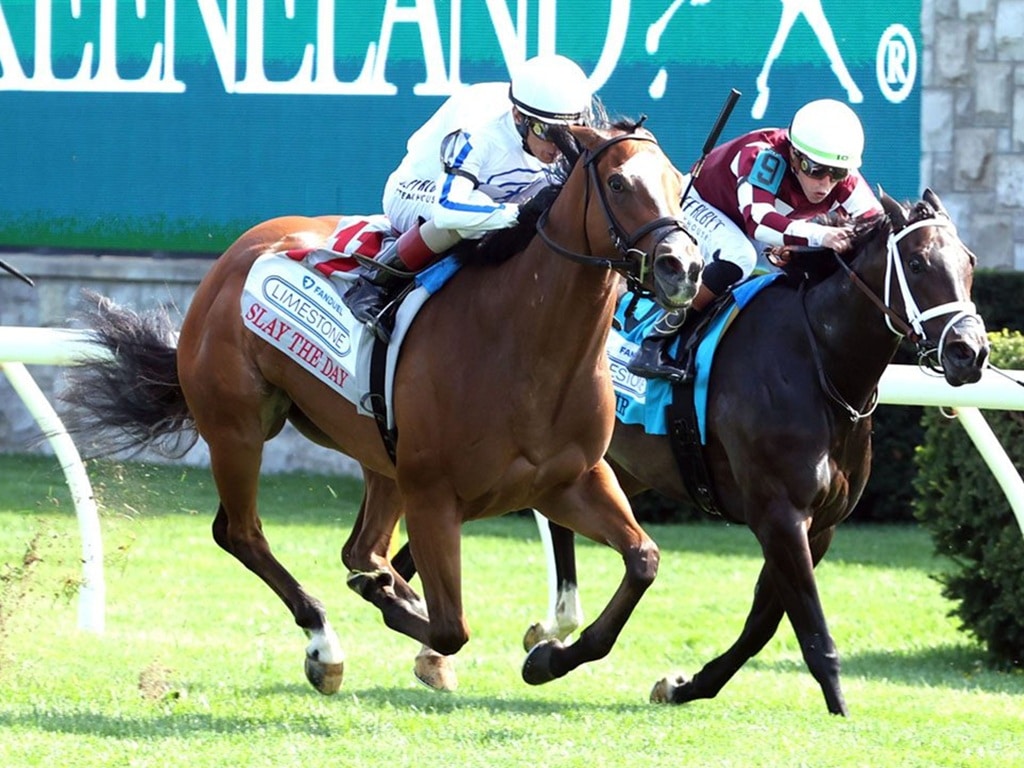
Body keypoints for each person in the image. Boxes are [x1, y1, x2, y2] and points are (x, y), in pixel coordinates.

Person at [627, 97, 883, 381]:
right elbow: (759, 223)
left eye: (836, 173)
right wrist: (821, 234)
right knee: (740, 258)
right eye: (815, 170)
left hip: (746, 226)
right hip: (700, 204)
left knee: (801, 268)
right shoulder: (764, 156)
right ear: (795, 156)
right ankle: (653, 342)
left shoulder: (845, 179)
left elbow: (879, 225)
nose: (825, 184)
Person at [344, 54, 593, 340]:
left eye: (566, 134)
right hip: (420, 191)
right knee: (467, 219)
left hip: (494, 195)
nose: (556, 146)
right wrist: (516, 213)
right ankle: (374, 285)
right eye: (545, 132)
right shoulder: (479, 131)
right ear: (518, 117)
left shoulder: (550, 122)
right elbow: (448, 209)